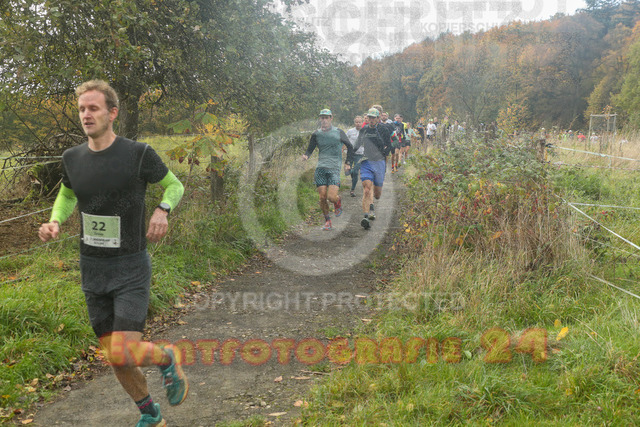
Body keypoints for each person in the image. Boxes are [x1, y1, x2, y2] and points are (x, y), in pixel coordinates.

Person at [38, 80, 187, 427]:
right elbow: (67, 195)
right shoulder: (72, 158)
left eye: (93, 108)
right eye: (81, 109)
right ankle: (150, 413)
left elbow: (174, 185)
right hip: (92, 269)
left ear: (112, 113)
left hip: (130, 266)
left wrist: (163, 209)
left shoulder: (138, 154)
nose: (86, 115)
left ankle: (166, 358)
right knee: (114, 356)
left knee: (124, 350)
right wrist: (55, 220)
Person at [302, 109, 353, 231]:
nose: (324, 120)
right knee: (322, 197)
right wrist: (306, 156)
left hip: (334, 168)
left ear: (331, 118)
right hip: (320, 168)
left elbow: (350, 147)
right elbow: (310, 148)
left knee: (331, 197)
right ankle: (327, 221)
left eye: (326, 118)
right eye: (322, 118)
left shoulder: (339, 132)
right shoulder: (316, 134)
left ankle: (337, 201)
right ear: (320, 119)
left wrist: (348, 162)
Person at [353, 108, 392, 230]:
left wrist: (384, 153)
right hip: (366, 161)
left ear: (378, 118)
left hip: (379, 162)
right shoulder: (364, 129)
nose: (371, 120)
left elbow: (389, 144)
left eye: (373, 118)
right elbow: (357, 144)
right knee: (366, 189)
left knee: (377, 194)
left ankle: (372, 205)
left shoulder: (383, 129)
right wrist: (349, 158)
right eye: (369, 117)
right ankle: (366, 216)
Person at [345, 115, 364, 197]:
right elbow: (345, 140)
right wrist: (344, 149)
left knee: (355, 171)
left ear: (362, 123)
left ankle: (352, 190)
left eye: (359, 122)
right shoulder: (350, 131)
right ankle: (352, 174)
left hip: (360, 154)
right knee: (350, 172)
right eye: (356, 122)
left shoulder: (365, 132)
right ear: (354, 123)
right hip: (350, 154)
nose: (358, 124)